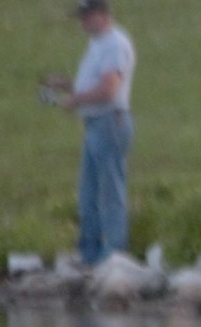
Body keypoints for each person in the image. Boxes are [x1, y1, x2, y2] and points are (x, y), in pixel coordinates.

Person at [43, 0, 136, 267]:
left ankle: (115, 252)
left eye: (86, 16)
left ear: (103, 15)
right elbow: (93, 83)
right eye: (81, 17)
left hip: (109, 122)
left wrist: (76, 100)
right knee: (88, 193)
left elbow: (109, 89)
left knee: (110, 191)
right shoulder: (98, 45)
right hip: (95, 124)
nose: (82, 22)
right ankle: (90, 253)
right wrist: (66, 84)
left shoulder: (115, 44)